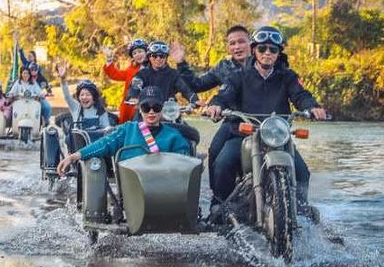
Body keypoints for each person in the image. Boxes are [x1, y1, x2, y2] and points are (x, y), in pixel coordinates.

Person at [204, 26, 327, 209]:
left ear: (278, 53)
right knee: (223, 163)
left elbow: (301, 95)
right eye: (262, 48)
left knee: (302, 172)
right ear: (254, 50)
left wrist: (313, 107)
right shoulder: (238, 76)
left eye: (273, 49)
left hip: (277, 137)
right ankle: (221, 206)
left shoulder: (287, 76)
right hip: (244, 134)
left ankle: (300, 211)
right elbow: (224, 94)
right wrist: (216, 105)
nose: (267, 53)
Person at [176, 25, 251, 185]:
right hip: (233, 121)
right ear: (228, 47)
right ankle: (217, 200)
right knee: (215, 151)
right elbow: (197, 84)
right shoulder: (224, 66)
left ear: (250, 43)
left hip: (264, 121)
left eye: (241, 42)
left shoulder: (262, 63)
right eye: (232, 43)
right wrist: (181, 63)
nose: (237, 47)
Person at [57, 86, 190, 176]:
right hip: (130, 187)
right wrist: (73, 156)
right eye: (145, 107)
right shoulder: (128, 129)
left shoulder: (174, 136)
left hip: (163, 191)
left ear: (162, 108)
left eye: (156, 107)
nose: (151, 112)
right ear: (139, 109)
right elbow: (104, 144)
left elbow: (185, 165)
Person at [127, 40, 201, 109]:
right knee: (135, 123)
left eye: (162, 56)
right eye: (154, 56)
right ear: (149, 57)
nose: (158, 58)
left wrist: (194, 99)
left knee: (182, 122)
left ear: (166, 57)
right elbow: (134, 88)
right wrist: (133, 97)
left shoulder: (174, 74)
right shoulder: (141, 74)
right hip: (146, 111)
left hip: (168, 112)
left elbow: (184, 88)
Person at [102, 39, 148, 123]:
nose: (138, 55)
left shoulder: (154, 68)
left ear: (146, 52)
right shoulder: (131, 70)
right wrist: (109, 58)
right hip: (131, 110)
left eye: (140, 51)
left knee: (147, 132)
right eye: (134, 53)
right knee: (132, 131)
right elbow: (115, 74)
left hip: (149, 108)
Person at [56, 64, 111, 131]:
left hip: (97, 140)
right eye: (82, 95)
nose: (84, 97)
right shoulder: (76, 107)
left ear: (94, 97)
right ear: (78, 97)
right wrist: (63, 78)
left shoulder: (101, 111)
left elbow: (106, 128)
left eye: (88, 95)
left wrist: (108, 129)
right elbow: (67, 96)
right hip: (78, 140)